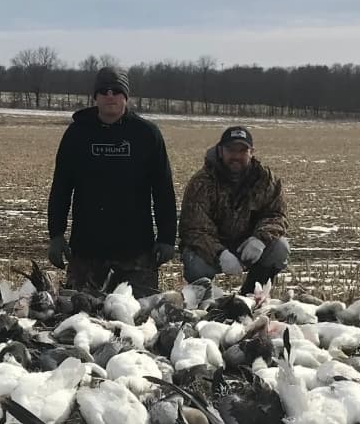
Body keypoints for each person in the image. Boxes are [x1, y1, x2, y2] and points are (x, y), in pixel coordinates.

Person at [46, 66, 176, 295]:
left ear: (126, 96)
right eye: (103, 91)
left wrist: (166, 237)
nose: (109, 95)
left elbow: (163, 190)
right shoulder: (77, 134)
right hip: (87, 251)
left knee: (138, 322)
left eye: (116, 90)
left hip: (136, 252)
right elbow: (61, 187)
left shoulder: (147, 134)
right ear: (95, 96)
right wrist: (56, 234)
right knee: (84, 322)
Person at [179, 125, 290, 295]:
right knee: (196, 264)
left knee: (280, 248)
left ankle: (252, 294)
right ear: (221, 151)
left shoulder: (266, 179)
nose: (236, 156)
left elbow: (277, 215)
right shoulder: (202, 182)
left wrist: (259, 239)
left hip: (247, 244)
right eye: (231, 150)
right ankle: (206, 300)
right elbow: (193, 228)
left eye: (242, 150)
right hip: (214, 246)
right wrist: (220, 253)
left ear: (251, 152)